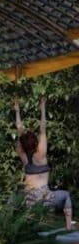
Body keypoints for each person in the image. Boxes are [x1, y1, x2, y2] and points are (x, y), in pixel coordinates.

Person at [14, 96, 73, 231]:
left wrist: (17, 111)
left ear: (23, 145)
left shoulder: (23, 156)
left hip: (29, 199)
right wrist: (43, 109)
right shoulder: (41, 154)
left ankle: (28, 226)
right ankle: (68, 227)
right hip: (46, 197)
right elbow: (43, 128)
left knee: (18, 199)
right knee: (66, 196)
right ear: (35, 142)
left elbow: (19, 129)